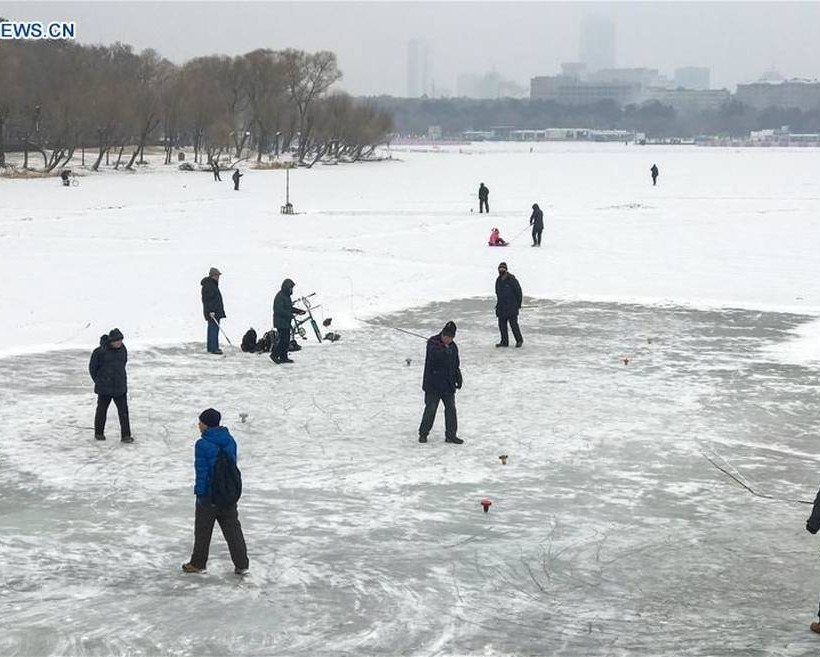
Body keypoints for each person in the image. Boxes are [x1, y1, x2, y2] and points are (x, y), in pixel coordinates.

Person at [182, 408, 249, 575]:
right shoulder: (229, 440)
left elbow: (202, 472)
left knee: (203, 531)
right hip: (228, 493)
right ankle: (241, 563)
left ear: (206, 424)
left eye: (201, 422)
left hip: (210, 496)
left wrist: (200, 493)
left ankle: (198, 563)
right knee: (233, 530)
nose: (199, 424)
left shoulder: (202, 444)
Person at [418, 321, 463, 444]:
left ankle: (451, 435)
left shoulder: (453, 346)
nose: (448, 339)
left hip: (448, 384)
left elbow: (455, 363)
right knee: (431, 409)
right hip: (433, 384)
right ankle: (423, 433)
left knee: (451, 409)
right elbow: (434, 357)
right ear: (442, 334)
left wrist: (458, 376)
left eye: (451, 338)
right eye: (446, 337)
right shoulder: (433, 343)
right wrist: (444, 352)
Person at [89, 328, 133, 442]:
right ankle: (99, 433)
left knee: (124, 412)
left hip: (120, 387)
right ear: (111, 341)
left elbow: (123, 364)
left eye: (120, 340)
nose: (119, 342)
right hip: (104, 388)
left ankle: (126, 436)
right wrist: (99, 381)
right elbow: (92, 369)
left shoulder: (123, 350)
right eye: (116, 341)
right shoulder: (99, 352)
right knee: (101, 411)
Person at [271, 278, 305, 364]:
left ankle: (283, 357)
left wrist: (299, 311)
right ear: (286, 287)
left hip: (285, 322)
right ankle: (274, 355)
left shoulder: (286, 296)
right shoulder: (280, 296)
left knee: (286, 340)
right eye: (290, 288)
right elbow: (279, 310)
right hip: (280, 322)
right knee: (284, 340)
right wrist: (289, 315)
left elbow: (289, 308)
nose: (291, 290)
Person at [495, 262, 523, 348]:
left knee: (513, 325)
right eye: (500, 269)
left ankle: (519, 340)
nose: (501, 270)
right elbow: (498, 293)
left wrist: (518, 304)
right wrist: (498, 305)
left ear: (506, 269)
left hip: (511, 307)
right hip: (502, 307)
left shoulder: (512, 279)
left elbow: (519, 292)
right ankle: (504, 342)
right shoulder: (498, 280)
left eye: (503, 268)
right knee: (502, 325)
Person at [201, 267, 226, 355]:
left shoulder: (213, 284)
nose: (218, 277)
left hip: (215, 311)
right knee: (213, 330)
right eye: (217, 275)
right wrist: (211, 311)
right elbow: (208, 300)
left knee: (214, 329)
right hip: (212, 312)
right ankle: (213, 348)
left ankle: (213, 347)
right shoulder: (209, 285)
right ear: (213, 276)